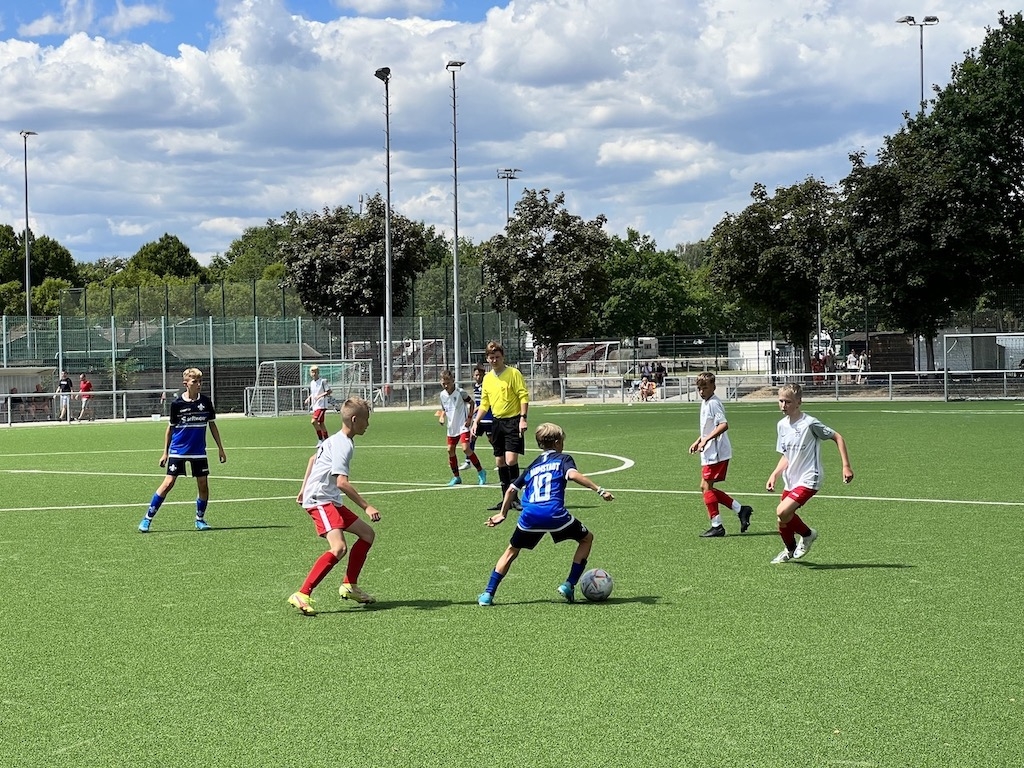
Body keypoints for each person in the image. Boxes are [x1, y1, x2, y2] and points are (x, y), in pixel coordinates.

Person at [477, 422, 614, 606]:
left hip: (530, 515)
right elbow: (573, 475)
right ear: (557, 442)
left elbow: (510, 490)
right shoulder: (563, 459)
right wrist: (599, 490)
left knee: (511, 551)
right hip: (554, 514)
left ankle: (488, 594)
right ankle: (569, 584)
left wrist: (503, 514)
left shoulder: (533, 465)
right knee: (586, 539)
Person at [288, 397, 380, 615]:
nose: (368, 424)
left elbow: (313, 459)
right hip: (320, 499)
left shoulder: (336, 438)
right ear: (355, 420)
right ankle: (302, 593)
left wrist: (303, 487)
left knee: (367, 534)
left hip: (327, 498)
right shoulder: (343, 444)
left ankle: (350, 585)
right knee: (339, 547)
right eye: (366, 420)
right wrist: (366, 506)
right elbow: (342, 483)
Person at [765, 382, 854, 564]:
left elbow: (838, 437)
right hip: (791, 479)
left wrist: (846, 466)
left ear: (799, 402)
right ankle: (789, 550)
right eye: (781, 401)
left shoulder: (809, 424)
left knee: (782, 511)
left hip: (810, 478)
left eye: (788, 402)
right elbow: (786, 455)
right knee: (782, 519)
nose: (783, 405)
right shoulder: (781, 425)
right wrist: (774, 474)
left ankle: (807, 534)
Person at [138, 368, 227, 533]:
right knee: (168, 483)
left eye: (200, 381)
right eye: (195, 381)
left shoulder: (206, 402)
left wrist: (220, 448)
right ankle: (147, 519)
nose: (199, 384)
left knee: (203, 485)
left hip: (198, 451)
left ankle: (200, 519)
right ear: (186, 383)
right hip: (178, 450)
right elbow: (170, 429)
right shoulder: (177, 404)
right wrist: (165, 452)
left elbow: (212, 425)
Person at [689, 371, 753, 537]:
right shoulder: (706, 402)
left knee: (706, 487)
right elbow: (709, 427)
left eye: (705, 388)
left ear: (714, 387)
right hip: (709, 451)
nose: (701, 391)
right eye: (699, 388)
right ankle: (741, 510)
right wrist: (699, 440)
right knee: (705, 487)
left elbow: (723, 425)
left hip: (716, 452)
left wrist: (705, 440)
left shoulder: (713, 403)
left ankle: (717, 525)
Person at [471, 341, 529, 511]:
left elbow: (523, 396)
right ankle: (505, 500)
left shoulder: (513, 373)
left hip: (513, 421)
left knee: (511, 460)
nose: (495, 360)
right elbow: (484, 403)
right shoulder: (487, 378)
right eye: (491, 358)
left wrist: (523, 418)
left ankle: (515, 497)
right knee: (500, 461)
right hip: (497, 423)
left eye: (497, 357)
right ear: (487, 359)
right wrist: (476, 421)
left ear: (503, 357)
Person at [438, 370, 486, 486]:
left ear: (453, 381)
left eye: (448, 383)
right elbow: (445, 408)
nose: (446, 386)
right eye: (443, 383)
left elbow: (472, 403)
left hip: (463, 425)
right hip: (452, 427)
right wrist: (442, 416)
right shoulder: (442, 395)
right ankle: (456, 477)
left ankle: (481, 471)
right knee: (450, 450)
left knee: (466, 449)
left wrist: (469, 418)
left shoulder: (460, 392)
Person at [461, 365, 493, 470]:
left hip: (488, 417)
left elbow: (487, 402)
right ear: (473, 376)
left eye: (480, 375)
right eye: (476, 375)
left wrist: (476, 409)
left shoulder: (486, 386)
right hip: (478, 418)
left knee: (492, 439)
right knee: (472, 438)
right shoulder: (475, 386)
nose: (478, 377)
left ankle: (501, 459)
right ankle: (468, 461)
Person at [303, 365, 332, 443]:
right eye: (312, 372)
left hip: (322, 405)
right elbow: (313, 393)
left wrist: (320, 396)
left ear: (318, 372)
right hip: (315, 405)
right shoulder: (312, 383)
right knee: (320, 423)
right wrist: (309, 398)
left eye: (315, 372)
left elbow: (329, 391)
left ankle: (320, 439)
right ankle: (327, 440)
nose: (314, 374)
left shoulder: (323, 381)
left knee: (314, 421)